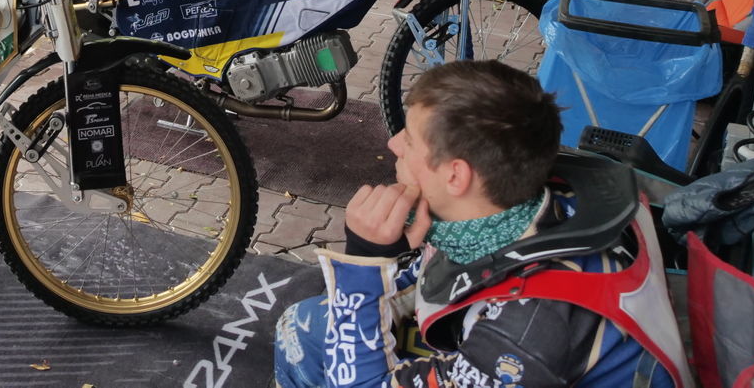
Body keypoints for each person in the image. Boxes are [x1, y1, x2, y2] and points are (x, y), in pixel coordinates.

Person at [273, 60, 692, 388]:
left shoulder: (526, 332)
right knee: (305, 326)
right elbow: (444, 277)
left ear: (456, 176)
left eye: (410, 139)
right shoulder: (519, 205)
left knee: (308, 338)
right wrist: (394, 257)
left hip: (526, 356)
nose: (393, 143)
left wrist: (363, 265)